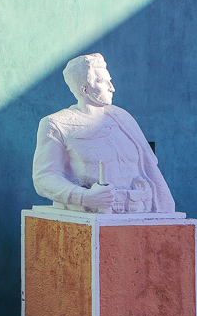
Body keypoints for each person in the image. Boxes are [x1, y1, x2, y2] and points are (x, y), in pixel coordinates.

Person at [32, 53, 175, 214]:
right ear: (84, 89)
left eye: (110, 80)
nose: (111, 87)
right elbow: (44, 177)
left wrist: (168, 213)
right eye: (102, 81)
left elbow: (150, 168)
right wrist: (84, 197)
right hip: (97, 214)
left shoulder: (123, 118)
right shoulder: (57, 124)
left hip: (140, 211)